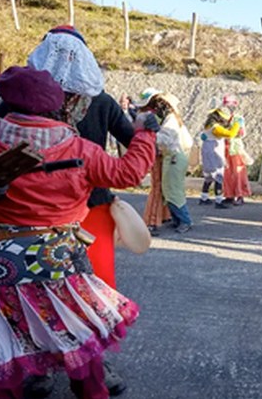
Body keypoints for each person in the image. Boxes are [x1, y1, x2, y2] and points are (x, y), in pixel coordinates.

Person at [0, 66, 157, 398]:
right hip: (61, 258)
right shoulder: (80, 149)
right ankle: (91, 391)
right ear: (59, 104)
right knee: (77, 330)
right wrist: (144, 135)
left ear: (7, 101)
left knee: (3, 337)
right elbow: (129, 172)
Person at [27, 25, 136, 395]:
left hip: (39, 209)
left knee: (39, 285)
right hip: (89, 207)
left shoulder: (22, 98)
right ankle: (90, 364)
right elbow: (131, 140)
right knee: (93, 287)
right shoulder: (100, 99)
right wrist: (146, 136)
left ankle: (44, 367)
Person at [138, 88, 194, 233]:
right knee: (169, 190)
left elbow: (166, 139)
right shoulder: (173, 118)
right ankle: (177, 219)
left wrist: (153, 133)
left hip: (174, 157)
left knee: (173, 191)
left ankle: (185, 221)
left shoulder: (171, 120)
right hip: (173, 157)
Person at [199, 106, 240, 208]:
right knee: (218, 175)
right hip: (214, 152)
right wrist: (237, 124)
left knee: (208, 176)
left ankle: (204, 197)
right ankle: (219, 201)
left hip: (207, 151)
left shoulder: (209, 125)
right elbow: (230, 134)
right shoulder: (216, 128)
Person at [222, 94, 252, 206]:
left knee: (238, 172)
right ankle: (229, 194)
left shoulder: (238, 118)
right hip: (225, 147)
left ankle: (240, 194)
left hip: (235, 147)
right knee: (227, 172)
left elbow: (242, 133)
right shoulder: (222, 118)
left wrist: (233, 132)